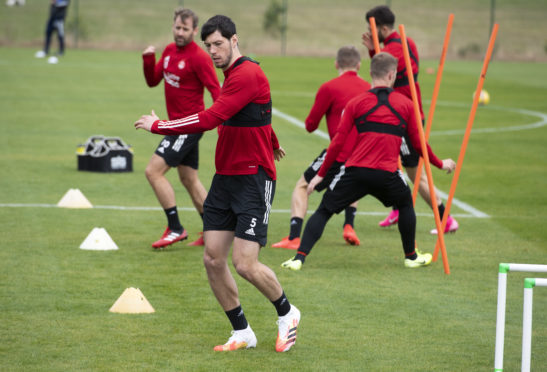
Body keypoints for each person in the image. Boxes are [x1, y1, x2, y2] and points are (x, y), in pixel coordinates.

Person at [134, 15, 300, 352]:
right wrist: (272, 135)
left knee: (245, 263)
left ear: (234, 40)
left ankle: (288, 313)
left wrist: (159, 125)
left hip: (254, 178)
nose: (213, 51)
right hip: (225, 178)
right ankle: (242, 332)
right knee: (212, 259)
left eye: (219, 44)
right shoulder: (232, 77)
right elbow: (255, 111)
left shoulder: (248, 73)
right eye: (209, 45)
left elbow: (210, 118)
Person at [281, 52, 456, 271]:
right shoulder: (406, 105)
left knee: (324, 209)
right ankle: (410, 256)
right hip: (388, 174)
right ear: (392, 75)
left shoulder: (356, 103)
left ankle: (299, 258)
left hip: (356, 172)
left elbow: (337, 143)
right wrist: (441, 163)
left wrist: (321, 175)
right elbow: (419, 144)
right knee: (405, 204)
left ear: (371, 73)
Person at [361, 5, 459, 235]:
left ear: (383, 28)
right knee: (388, 162)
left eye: (372, 28)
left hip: (404, 117)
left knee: (417, 177)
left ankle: (445, 219)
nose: (369, 32)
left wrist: (374, 51)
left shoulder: (393, 49)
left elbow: (380, 75)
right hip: (399, 113)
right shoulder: (406, 42)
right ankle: (397, 207)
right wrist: (375, 50)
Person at [271, 46, 371, 250]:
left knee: (301, 186)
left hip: (338, 153)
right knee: (354, 183)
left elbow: (310, 125)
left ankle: (294, 236)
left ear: (336, 64)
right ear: (359, 65)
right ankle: (349, 226)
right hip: (362, 155)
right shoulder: (369, 88)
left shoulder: (329, 87)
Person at [141, 8, 221, 249]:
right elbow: (153, 80)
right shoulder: (168, 52)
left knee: (153, 171)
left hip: (188, 126)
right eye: (177, 27)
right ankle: (214, 231)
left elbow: (216, 91)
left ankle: (175, 227)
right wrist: (147, 60)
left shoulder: (199, 57)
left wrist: (221, 125)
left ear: (195, 31)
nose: (180, 33)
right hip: (176, 125)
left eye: (185, 29)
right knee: (189, 179)